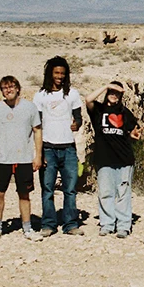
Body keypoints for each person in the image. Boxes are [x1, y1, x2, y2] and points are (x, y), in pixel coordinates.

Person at [0, 76, 43, 242]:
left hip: (24, 158)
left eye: (11, 87)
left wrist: (38, 155)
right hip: (2, 158)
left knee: (24, 194)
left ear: (18, 88)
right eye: (5, 88)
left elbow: (37, 131)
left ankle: (27, 228)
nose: (8, 90)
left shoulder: (30, 107)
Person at [33, 56, 84, 237]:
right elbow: (36, 124)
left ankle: (70, 224)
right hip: (48, 147)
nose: (60, 76)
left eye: (63, 73)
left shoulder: (72, 94)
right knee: (48, 189)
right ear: (50, 73)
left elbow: (79, 117)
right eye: (56, 73)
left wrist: (77, 124)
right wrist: (39, 152)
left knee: (70, 189)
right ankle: (48, 224)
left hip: (68, 147)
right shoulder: (40, 96)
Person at [85, 81, 141, 238]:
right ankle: (107, 224)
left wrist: (133, 136)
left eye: (117, 93)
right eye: (111, 92)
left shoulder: (125, 113)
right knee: (105, 192)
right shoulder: (98, 110)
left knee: (123, 192)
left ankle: (123, 225)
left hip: (124, 158)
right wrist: (106, 86)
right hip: (103, 158)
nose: (114, 95)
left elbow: (133, 131)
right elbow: (88, 99)